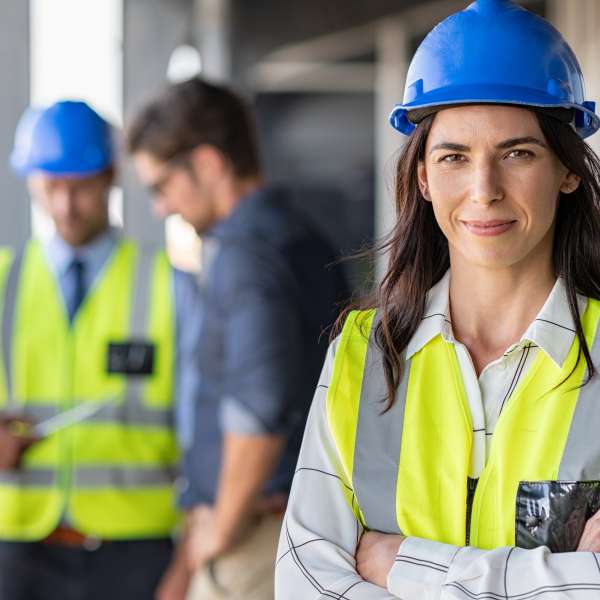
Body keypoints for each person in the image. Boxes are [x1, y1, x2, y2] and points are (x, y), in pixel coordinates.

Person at [275, 1, 600, 598]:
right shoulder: (362, 354)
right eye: (454, 157)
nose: (484, 190)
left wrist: (402, 564)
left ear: (567, 170)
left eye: (518, 153)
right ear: (422, 177)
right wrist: (553, 578)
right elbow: (304, 581)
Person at [126, 77, 348, 600]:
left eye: (161, 186)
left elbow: (258, 406)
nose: (160, 207)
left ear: (206, 163)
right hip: (294, 525)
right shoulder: (299, 235)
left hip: (255, 539)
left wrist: (220, 529)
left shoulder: (246, 254)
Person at [0, 100, 202, 600]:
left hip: (135, 549)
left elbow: (205, 435)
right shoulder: (2, 282)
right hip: (18, 548)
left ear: (110, 177)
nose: (65, 206)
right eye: (51, 188)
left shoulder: (168, 286)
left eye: (81, 188)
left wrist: (189, 557)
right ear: (31, 183)